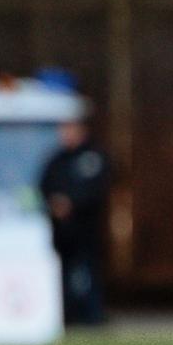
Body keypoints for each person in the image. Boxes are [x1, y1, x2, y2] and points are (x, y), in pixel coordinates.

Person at [38, 116, 111, 325]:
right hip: (60, 229)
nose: (66, 135)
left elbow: (96, 188)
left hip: (86, 226)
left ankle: (93, 315)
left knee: (89, 270)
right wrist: (55, 203)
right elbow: (44, 185)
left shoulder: (92, 157)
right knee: (61, 272)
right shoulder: (56, 159)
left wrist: (72, 203)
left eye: (70, 130)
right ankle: (65, 315)